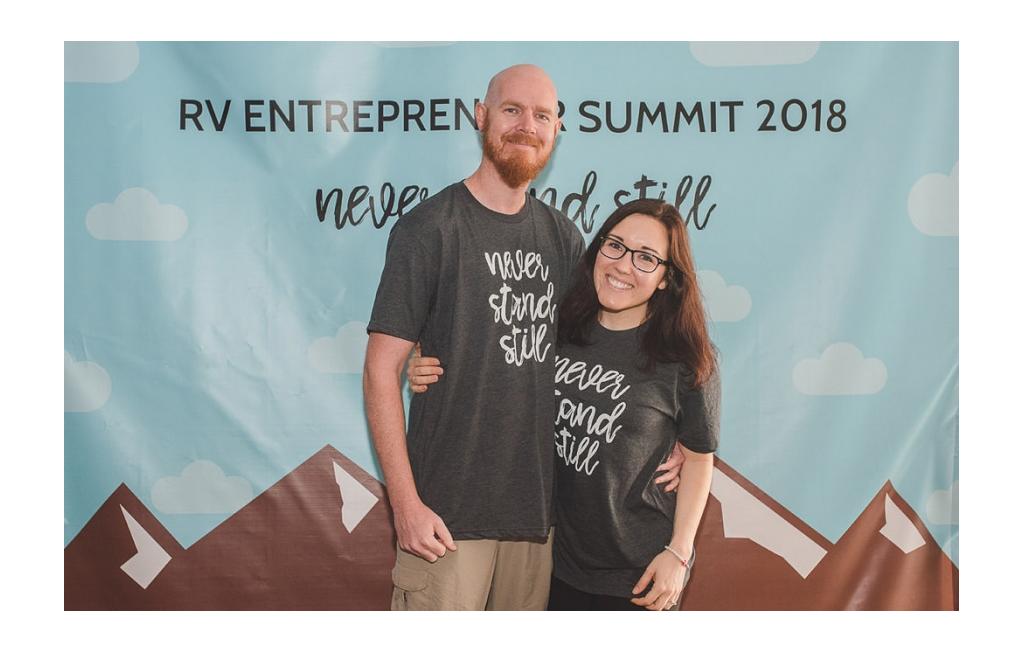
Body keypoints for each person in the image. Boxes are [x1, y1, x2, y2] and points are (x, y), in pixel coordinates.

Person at [409, 198, 720, 610]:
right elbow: (488, 352)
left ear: (666, 278)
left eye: (647, 258)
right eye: (616, 246)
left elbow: (699, 459)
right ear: (597, 251)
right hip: (556, 566)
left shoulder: (686, 358)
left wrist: (679, 553)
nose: (624, 265)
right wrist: (419, 357)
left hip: (639, 574)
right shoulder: (557, 331)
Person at [363, 63, 584, 611]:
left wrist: (675, 430)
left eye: (541, 115)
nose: (526, 126)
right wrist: (406, 505)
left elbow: (600, 355)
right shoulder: (429, 229)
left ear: (556, 130)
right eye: (511, 110)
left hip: (536, 522)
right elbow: (378, 369)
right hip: (444, 520)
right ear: (481, 116)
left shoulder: (564, 236)